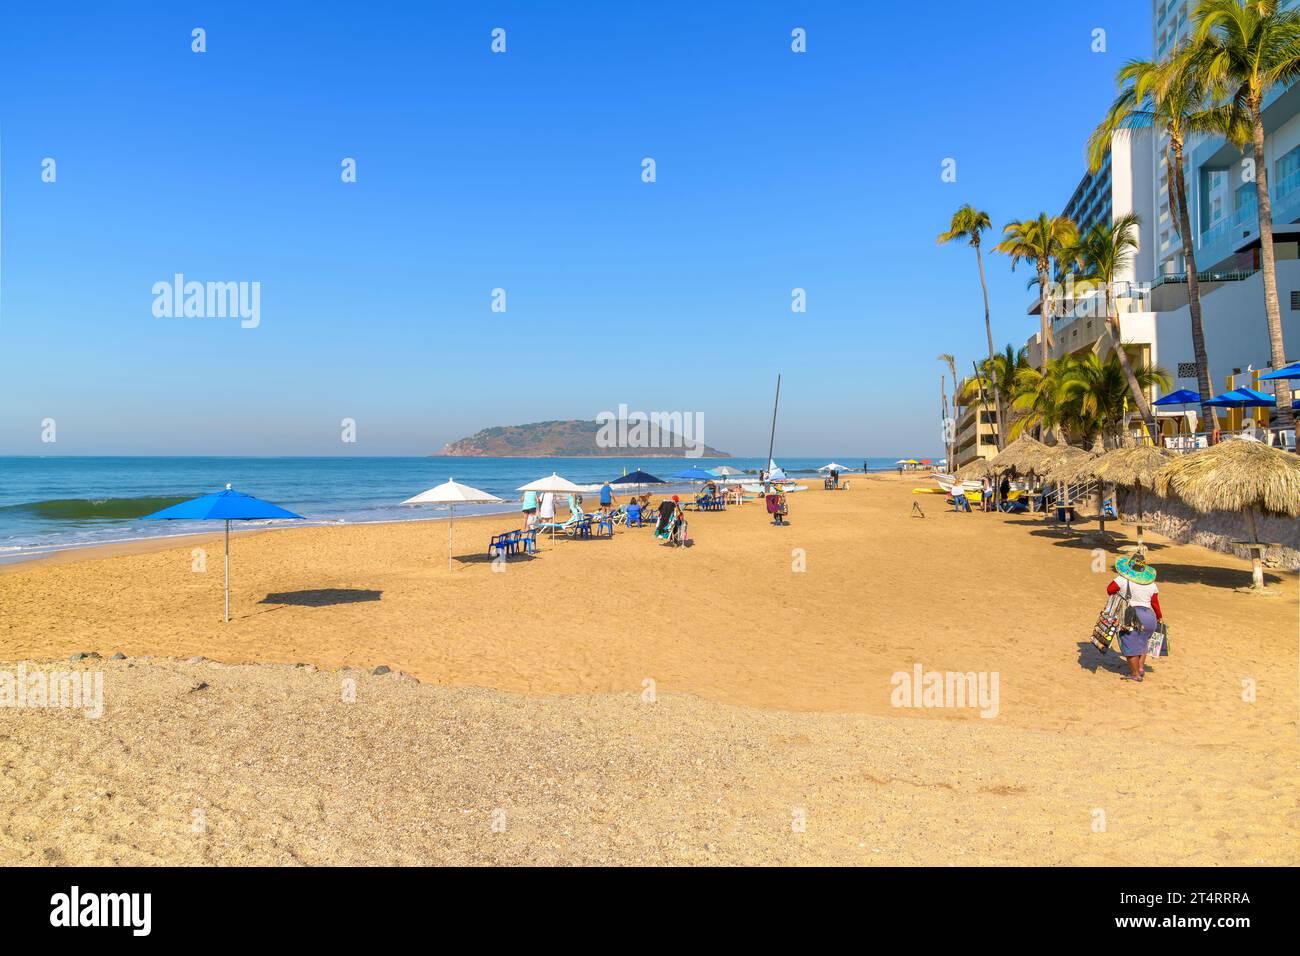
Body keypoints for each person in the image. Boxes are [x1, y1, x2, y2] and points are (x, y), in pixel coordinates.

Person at [1107, 554, 1162, 682]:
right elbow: (1155, 603)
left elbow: (1110, 590)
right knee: (1143, 642)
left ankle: (1135, 673)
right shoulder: (1152, 584)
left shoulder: (1122, 579)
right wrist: (1159, 617)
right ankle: (1141, 668)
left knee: (1128, 643)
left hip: (1131, 615)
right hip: (1150, 616)